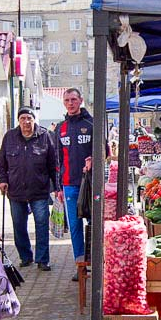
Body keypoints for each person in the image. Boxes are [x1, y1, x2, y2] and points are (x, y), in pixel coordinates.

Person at [0, 106, 57, 271]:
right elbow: (1, 164)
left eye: (29, 118)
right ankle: (25, 256)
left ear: (34, 119)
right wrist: (2, 180)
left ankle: (43, 259)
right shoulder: (10, 137)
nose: (26, 122)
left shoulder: (45, 136)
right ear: (18, 121)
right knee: (19, 225)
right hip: (16, 191)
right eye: (22, 119)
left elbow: (54, 164)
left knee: (41, 224)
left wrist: (57, 187)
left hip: (39, 190)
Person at [55, 88, 95, 280]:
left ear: (80, 100)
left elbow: (104, 151)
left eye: (73, 99)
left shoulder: (92, 124)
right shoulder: (60, 128)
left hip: (91, 184)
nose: (70, 103)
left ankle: (96, 262)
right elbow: (56, 160)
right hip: (69, 184)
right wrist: (57, 187)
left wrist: (93, 159)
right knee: (75, 226)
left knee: (93, 224)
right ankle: (80, 267)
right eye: (67, 100)